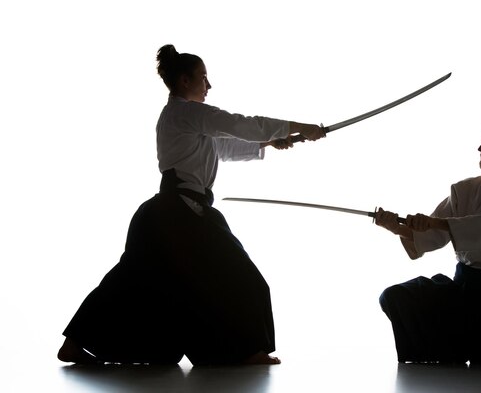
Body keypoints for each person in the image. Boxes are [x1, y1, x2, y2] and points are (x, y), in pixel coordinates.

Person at [57, 44, 325, 366]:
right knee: (238, 274)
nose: (208, 86)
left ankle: (76, 343)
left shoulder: (184, 118)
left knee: (135, 279)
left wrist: (271, 141)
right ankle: (247, 348)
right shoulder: (185, 112)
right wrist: (298, 126)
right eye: (203, 78)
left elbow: (223, 146)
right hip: (179, 213)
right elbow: (240, 124)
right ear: (185, 81)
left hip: (171, 214)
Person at [375, 119, 481, 365]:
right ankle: (449, 351)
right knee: (395, 297)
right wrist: (395, 227)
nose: (480, 148)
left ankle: (464, 346)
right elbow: (430, 237)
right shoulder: (465, 189)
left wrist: (435, 223)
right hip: (462, 288)